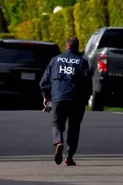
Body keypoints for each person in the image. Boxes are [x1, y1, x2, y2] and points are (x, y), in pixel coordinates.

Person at [40, 36, 92, 166]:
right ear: (77, 47)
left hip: (58, 97)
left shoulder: (55, 60)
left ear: (66, 47)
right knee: (74, 128)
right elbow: (87, 84)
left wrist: (46, 96)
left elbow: (44, 82)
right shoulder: (82, 62)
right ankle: (69, 157)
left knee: (57, 124)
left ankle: (59, 142)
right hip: (76, 99)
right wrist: (86, 98)